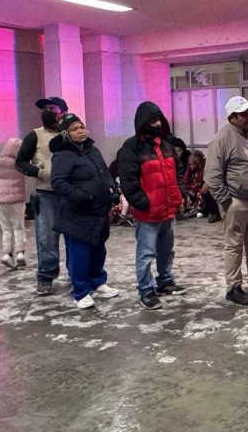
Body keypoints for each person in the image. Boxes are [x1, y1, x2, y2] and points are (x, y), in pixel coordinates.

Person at [204, 95, 248, 306]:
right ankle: (233, 287)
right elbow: (212, 176)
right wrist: (226, 202)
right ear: (232, 117)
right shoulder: (222, 139)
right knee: (234, 245)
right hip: (236, 201)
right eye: (243, 114)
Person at [118, 101, 188, 311]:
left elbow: (178, 171)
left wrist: (180, 192)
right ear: (142, 123)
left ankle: (165, 282)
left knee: (166, 251)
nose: (156, 124)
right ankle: (146, 290)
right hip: (148, 213)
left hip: (168, 209)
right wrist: (144, 203)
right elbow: (128, 182)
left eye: (158, 120)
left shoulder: (166, 145)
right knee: (146, 253)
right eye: (151, 121)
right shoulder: (131, 148)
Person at [50, 113, 119, 309]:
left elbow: (104, 172)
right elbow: (58, 182)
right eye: (74, 129)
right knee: (80, 253)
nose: (80, 131)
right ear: (65, 134)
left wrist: (111, 188)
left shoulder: (93, 150)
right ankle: (80, 291)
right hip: (77, 213)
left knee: (98, 248)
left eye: (81, 127)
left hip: (99, 211)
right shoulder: (62, 155)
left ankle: (98, 282)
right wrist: (82, 196)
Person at [15, 96, 69, 295]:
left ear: (63, 111)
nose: (47, 111)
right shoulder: (34, 135)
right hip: (46, 195)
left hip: (71, 194)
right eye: (45, 108)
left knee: (74, 238)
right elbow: (20, 162)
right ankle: (46, 276)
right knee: (46, 238)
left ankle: (77, 273)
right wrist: (37, 171)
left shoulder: (71, 133)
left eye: (52, 108)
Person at [0, 138, 27, 269]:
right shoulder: (19, 163)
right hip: (16, 199)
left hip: (0, 199)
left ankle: (7, 254)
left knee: (6, 229)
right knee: (18, 227)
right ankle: (20, 253)